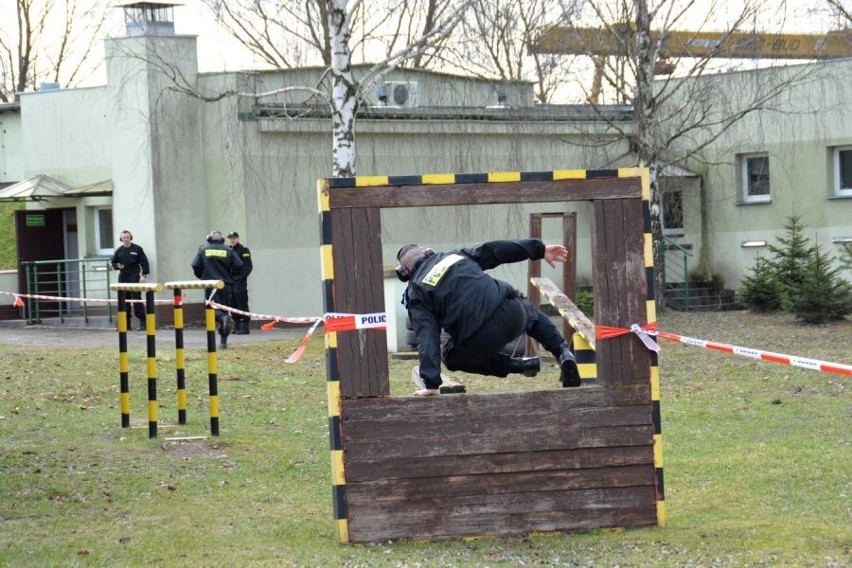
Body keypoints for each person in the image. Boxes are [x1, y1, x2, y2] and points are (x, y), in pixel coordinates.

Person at [397, 239, 581, 397]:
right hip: (511, 313)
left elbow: (426, 337)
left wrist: (431, 383)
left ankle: (519, 366)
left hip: (478, 340)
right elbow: (496, 250)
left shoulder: (416, 293)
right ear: (428, 253)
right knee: (528, 309)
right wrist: (539, 249)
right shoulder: (455, 256)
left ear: (404, 273)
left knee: (451, 357)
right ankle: (562, 351)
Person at [191, 231, 243, 349]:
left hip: (211, 285)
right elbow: (239, 265)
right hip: (226, 285)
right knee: (224, 310)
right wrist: (231, 276)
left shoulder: (203, 249)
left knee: (211, 309)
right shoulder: (228, 250)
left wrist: (202, 276)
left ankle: (223, 319)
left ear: (209, 239)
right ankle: (223, 342)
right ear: (222, 239)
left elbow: (195, 265)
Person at [110, 230, 150, 331]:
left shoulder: (137, 249)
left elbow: (144, 263)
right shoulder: (119, 251)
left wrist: (143, 276)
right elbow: (113, 263)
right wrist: (117, 266)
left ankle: (143, 323)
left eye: (127, 237)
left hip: (134, 276)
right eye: (123, 238)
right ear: (121, 239)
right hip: (123, 277)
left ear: (130, 238)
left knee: (136, 299)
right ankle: (126, 324)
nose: (125, 239)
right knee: (123, 300)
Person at [226, 231, 253, 334]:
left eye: (233, 238)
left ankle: (245, 326)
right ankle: (237, 325)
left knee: (241, 302)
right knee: (232, 303)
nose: (232, 240)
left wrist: (240, 278)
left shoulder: (243, 250)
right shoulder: (228, 250)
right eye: (230, 238)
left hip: (239, 281)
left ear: (238, 238)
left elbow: (248, 266)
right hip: (230, 280)